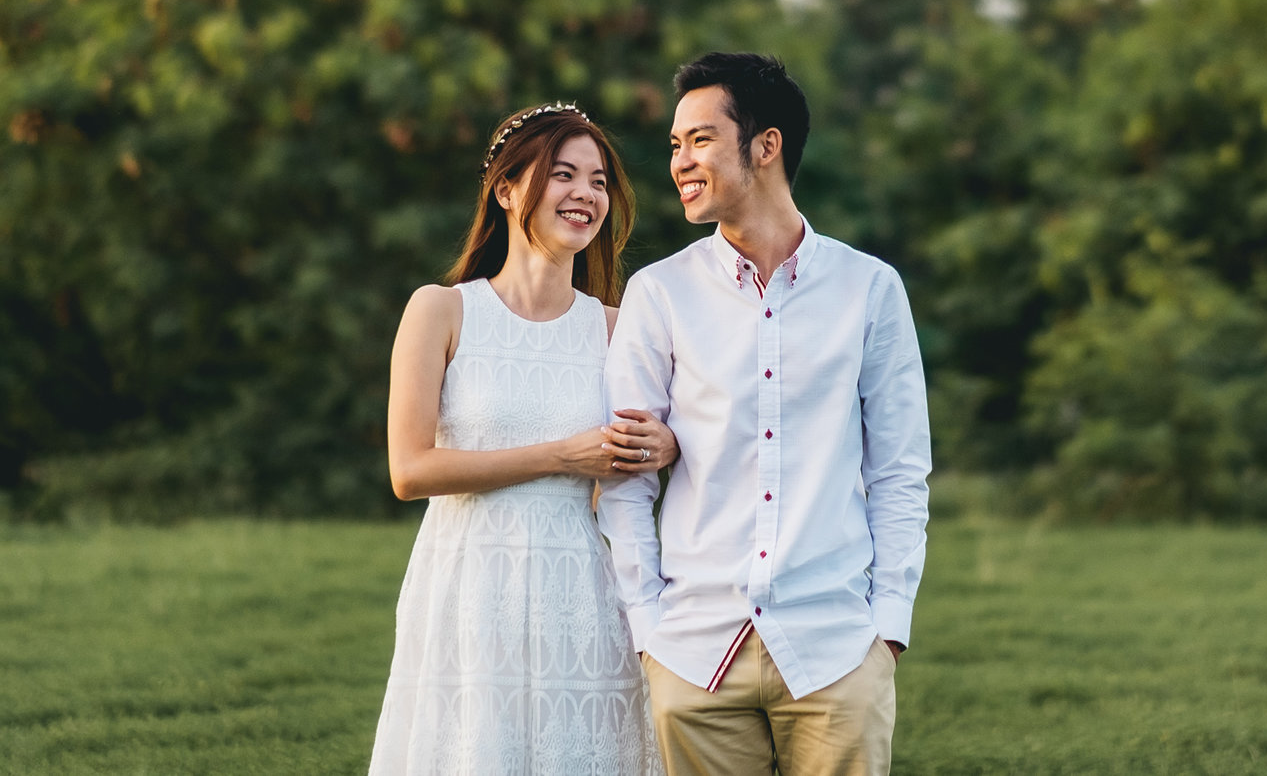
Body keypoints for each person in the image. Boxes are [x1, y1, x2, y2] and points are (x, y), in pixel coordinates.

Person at [601, 53, 933, 776]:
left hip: (837, 648)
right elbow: (625, 474)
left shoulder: (870, 289)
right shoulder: (659, 294)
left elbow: (901, 469)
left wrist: (888, 628)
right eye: (674, 145)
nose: (680, 162)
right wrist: (648, 626)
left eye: (699, 139)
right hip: (694, 651)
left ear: (766, 145)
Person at [370, 103, 678, 776]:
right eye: (563, 173)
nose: (585, 193)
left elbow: (677, 441)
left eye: (599, 180)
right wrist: (562, 456)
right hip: (470, 583)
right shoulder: (441, 309)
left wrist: (666, 445)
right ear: (507, 189)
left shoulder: (616, 327)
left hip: (583, 590)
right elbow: (410, 468)